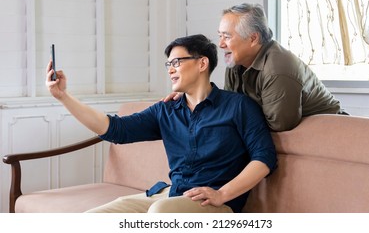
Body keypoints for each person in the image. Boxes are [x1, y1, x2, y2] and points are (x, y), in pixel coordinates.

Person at [46, 34, 277, 213]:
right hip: (170, 195)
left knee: (161, 213)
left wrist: (222, 194)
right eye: (168, 64)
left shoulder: (238, 106)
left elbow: (264, 157)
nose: (171, 69)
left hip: (214, 205)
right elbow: (116, 129)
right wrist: (63, 96)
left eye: (177, 61)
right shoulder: (166, 110)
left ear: (202, 63)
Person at [164, 3, 346, 132]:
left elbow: (279, 126)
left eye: (227, 37)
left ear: (253, 39)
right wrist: (192, 97)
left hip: (330, 130)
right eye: (220, 36)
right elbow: (229, 106)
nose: (220, 44)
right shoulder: (235, 62)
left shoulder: (278, 68)